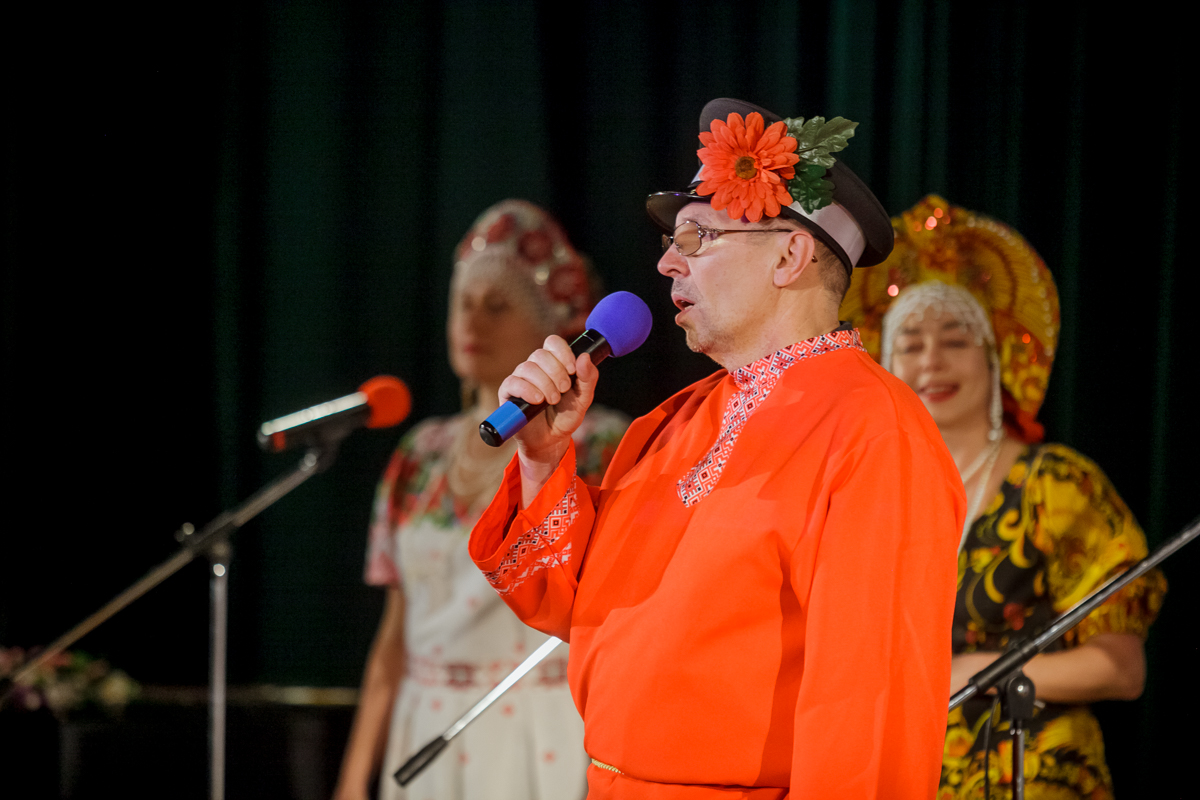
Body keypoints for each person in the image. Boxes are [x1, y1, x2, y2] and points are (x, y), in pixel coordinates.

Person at [468, 99, 965, 798]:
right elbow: (567, 605)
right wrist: (543, 457)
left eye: (697, 238)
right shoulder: (674, 422)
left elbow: (870, 710)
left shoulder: (875, 428)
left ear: (790, 255)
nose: (667, 262)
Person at [840, 194, 1167, 799]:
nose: (932, 361)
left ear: (996, 359)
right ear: (885, 366)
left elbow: (1122, 669)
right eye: (910, 344)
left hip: (1029, 764)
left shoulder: (1055, 484)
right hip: (894, 768)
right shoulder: (863, 489)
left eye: (955, 340)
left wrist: (982, 670)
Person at [333, 200, 629, 800]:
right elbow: (395, 635)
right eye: (463, 303)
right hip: (425, 730)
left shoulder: (599, 444)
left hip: (542, 729)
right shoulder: (420, 453)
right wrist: (352, 778)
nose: (473, 322)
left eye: (498, 306)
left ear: (550, 327)